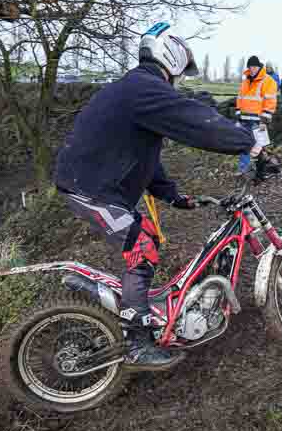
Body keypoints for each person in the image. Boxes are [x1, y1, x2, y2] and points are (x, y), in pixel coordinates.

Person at [55, 22, 256, 371]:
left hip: (93, 182)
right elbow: (195, 121)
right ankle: (136, 344)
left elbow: (142, 156)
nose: (179, 81)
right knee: (143, 242)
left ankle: (141, 313)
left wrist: (174, 196)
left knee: (144, 233)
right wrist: (246, 140)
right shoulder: (145, 89)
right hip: (91, 187)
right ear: (172, 56)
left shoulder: (136, 88)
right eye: (181, 73)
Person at [235, 56, 278, 174]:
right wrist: (238, 115)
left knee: (260, 146)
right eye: (250, 66)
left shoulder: (268, 81)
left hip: (258, 120)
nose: (252, 69)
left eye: (254, 66)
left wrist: (264, 120)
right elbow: (240, 98)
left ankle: (262, 170)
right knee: (244, 144)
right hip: (244, 119)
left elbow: (270, 102)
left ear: (259, 66)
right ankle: (244, 169)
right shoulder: (245, 81)